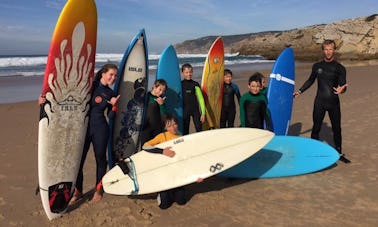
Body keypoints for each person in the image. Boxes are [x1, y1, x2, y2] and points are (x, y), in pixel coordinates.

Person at [70, 63, 120, 204]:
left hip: (101, 129)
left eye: (115, 75)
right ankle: (78, 191)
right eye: (111, 74)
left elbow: (110, 116)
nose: (113, 77)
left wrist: (114, 106)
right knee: (78, 161)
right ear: (103, 73)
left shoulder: (111, 93)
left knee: (100, 160)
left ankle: (98, 190)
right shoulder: (90, 86)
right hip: (84, 129)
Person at [293, 39, 349, 163]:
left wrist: (342, 90)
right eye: (326, 49)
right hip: (320, 102)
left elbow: (343, 86)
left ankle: (339, 153)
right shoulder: (317, 66)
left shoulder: (340, 68)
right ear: (323, 50)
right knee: (316, 127)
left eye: (330, 49)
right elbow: (310, 81)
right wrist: (300, 91)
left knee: (337, 128)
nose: (328, 52)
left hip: (334, 102)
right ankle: (313, 152)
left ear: (334, 50)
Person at [142, 114, 202, 209]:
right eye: (169, 126)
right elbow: (145, 146)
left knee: (181, 201)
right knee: (164, 205)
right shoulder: (162, 136)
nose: (173, 127)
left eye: (174, 124)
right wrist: (162, 151)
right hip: (164, 175)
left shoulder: (181, 138)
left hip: (177, 174)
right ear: (165, 127)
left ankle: (174, 191)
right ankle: (161, 192)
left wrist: (196, 175)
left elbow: (188, 159)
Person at [140, 79, 167, 146]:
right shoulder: (146, 96)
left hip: (157, 129)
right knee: (145, 148)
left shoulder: (161, 100)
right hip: (146, 128)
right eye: (160, 89)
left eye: (163, 91)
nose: (161, 93)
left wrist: (162, 105)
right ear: (154, 86)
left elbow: (163, 116)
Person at [181, 63, 206, 135]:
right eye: (186, 72)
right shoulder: (180, 84)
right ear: (182, 73)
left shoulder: (195, 84)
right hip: (185, 111)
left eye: (190, 72)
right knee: (185, 131)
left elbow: (201, 99)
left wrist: (203, 113)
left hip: (195, 110)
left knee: (199, 129)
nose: (189, 74)